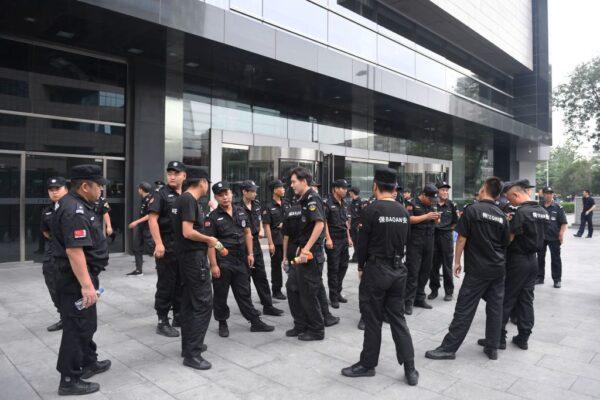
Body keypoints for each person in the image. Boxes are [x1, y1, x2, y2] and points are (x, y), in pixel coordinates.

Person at [341, 167, 418, 386]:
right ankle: (410, 369)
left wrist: (361, 266)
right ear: (394, 188)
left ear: (376, 185)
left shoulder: (371, 209)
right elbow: (407, 241)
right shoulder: (404, 212)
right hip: (398, 270)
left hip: (377, 269)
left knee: (372, 319)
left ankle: (367, 365)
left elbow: (362, 243)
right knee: (398, 319)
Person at [425, 177, 509, 361]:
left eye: (481, 187)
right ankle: (492, 346)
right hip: (498, 269)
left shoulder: (473, 210)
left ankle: (449, 348)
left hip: (478, 270)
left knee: (464, 308)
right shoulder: (501, 215)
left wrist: (456, 261)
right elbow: (505, 243)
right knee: (495, 308)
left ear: (485, 189)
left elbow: (461, 238)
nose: (478, 189)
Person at [51, 165, 111, 396]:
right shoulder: (74, 210)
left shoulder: (82, 205)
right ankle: (69, 379)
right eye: (100, 186)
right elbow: (74, 251)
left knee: (87, 324)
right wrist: (87, 287)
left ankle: (88, 362)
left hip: (83, 276)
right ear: (85, 186)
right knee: (76, 328)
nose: (102, 190)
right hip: (75, 281)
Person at [205, 182, 275, 337]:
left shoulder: (241, 211)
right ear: (216, 197)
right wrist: (213, 265)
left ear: (231, 194)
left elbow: (248, 233)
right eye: (220, 195)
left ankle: (254, 321)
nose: (225, 197)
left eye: (227, 193)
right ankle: (222, 322)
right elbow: (211, 244)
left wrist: (250, 254)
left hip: (241, 258)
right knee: (221, 294)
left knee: (244, 292)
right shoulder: (212, 217)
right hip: (223, 260)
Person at [495, 179, 549, 350]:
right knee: (526, 299)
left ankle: (499, 338)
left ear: (516, 194)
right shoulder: (542, 211)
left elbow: (510, 238)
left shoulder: (521, 213)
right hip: (533, 260)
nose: (508, 201)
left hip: (517, 260)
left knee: (507, 297)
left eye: (510, 198)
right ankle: (523, 337)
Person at [171, 167, 214, 370]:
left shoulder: (182, 199)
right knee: (203, 303)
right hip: (193, 258)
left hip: (186, 258)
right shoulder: (189, 200)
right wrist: (209, 239)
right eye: (208, 184)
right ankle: (193, 354)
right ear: (203, 182)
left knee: (189, 302)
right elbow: (188, 232)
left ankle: (188, 346)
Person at [282, 193, 340, 333]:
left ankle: (317, 324)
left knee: (310, 288)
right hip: (304, 253)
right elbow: (321, 225)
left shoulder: (309, 206)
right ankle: (308, 323)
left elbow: (286, 236)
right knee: (304, 288)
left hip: (306, 253)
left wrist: (286, 256)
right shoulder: (305, 208)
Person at [284, 167, 327, 341]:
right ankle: (300, 324)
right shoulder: (301, 200)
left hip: (310, 254)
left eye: (294, 181)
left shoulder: (312, 197)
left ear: (304, 181)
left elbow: (319, 224)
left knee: (309, 293)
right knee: (292, 288)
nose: (291, 185)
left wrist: (307, 248)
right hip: (299, 254)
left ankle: (317, 330)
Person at [148, 161, 186, 337]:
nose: (171, 176)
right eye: (169, 173)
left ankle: (178, 315)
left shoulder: (185, 195)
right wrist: (159, 243)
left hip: (182, 249)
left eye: (176, 173)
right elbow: (152, 219)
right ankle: (162, 321)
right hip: (167, 248)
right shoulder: (160, 194)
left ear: (183, 176)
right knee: (166, 285)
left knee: (180, 283)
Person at [238, 180, 284, 316]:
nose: (255, 193)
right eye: (252, 191)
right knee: (244, 279)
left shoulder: (257, 205)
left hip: (256, 245)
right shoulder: (237, 207)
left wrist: (260, 229)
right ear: (244, 192)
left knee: (261, 277)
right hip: (243, 245)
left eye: (255, 191)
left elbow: (258, 219)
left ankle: (268, 305)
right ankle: (248, 308)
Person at [404, 184, 440, 314]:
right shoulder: (411, 203)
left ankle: (420, 298)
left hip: (429, 241)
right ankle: (408, 301)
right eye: (430, 199)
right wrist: (426, 216)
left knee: (426, 271)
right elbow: (408, 219)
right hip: (415, 242)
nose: (432, 202)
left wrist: (436, 219)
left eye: (433, 200)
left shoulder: (431, 204)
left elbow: (436, 222)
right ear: (423, 194)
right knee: (413, 272)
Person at [40, 177, 69, 332]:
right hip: (52, 256)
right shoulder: (47, 210)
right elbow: (45, 231)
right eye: (51, 189)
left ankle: (73, 318)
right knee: (53, 287)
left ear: (66, 189)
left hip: (70, 256)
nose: (54, 192)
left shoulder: (74, 207)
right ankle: (63, 317)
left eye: (57, 188)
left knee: (71, 289)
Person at [324, 179, 352, 309]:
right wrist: (328, 238)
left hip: (343, 239)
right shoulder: (328, 203)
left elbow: (346, 223)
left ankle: (338, 292)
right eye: (343, 188)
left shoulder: (345, 203)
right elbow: (323, 222)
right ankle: (333, 296)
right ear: (335, 189)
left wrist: (349, 237)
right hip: (333, 240)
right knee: (333, 269)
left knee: (343, 266)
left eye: (346, 188)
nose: (345, 190)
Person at [428, 182, 458, 302]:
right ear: (437, 191)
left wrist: (447, 230)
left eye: (447, 190)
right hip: (434, 236)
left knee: (447, 266)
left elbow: (456, 221)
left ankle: (449, 292)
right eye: (443, 190)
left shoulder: (452, 205)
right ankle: (434, 290)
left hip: (446, 237)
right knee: (433, 266)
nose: (445, 192)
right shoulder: (432, 204)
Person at [262, 179, 289, 300]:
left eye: (284, 187)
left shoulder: (287, 203)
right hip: (277, 240)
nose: (283, 189)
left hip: (289, 239)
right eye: (281, 187)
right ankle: (276, 290)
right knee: (276, 266)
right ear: (274, 190)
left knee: (293, 263)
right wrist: (270, 243)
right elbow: (266, 225)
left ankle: (294, 286)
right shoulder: (268, 206)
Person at [537, 187, 568, 288]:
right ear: (543, 194)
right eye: (546, 193)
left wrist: (561, 235)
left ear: (552, 195)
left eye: (550, 193)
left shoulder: (558, 207)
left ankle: (557, 280)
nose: (548, 195)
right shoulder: (539, 206)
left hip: (554, 237)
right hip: (541, 236)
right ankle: (539, 277)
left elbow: (563, 223)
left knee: (555, 259)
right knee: (540, 258)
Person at [127, 182, 155, 276]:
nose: (138, 190)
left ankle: (167, 265)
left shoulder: (150, 199)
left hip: (148, 228)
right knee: (137, 247)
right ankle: (139, 270)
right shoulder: (143, 199)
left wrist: (136, 222)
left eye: (138, 188)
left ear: (141, 189)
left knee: (153, 249)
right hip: (141, 228)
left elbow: (149, 215)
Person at [348, 187, 365, 263]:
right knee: (354, 241)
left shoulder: (360, 201)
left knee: (358, 241)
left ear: (352, 192)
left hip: (358, 223)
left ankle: (357, 258)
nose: (349, 193)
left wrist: (361, 223)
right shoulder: (352, 201)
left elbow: (364, 214)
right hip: (353, 223)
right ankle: (356, 257)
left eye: (350, 192)